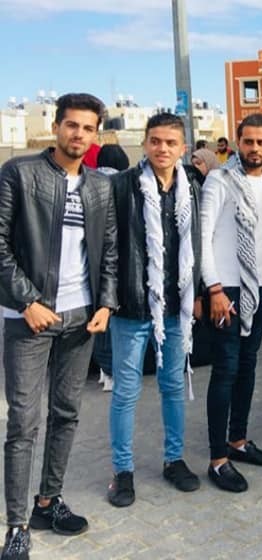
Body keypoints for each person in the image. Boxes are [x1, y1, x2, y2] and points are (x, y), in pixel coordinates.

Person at [0, 93, 118, 559]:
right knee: (23, 423)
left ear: (96, 134)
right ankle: (16, 526)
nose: (78, 135)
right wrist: (26, 300)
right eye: (72, 125)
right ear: (55, 126)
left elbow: (109, 250)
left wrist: (106, 303)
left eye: (88, 128)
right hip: (29, 319)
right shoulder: (20, 173)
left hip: (80, 319)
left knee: (66, 414)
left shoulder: (100, 186)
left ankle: (48, 502)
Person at [105, 113, 203, 508]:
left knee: (173, 386)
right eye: (156, 141)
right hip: (132, 306)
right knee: (126, 392)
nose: (163, 148)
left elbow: (196, 242)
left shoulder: (191, 187)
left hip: (176, 306)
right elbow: (109, 247)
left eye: (171, 142)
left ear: (183, 148)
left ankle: (173, 460)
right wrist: (109, 300)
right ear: (145, 143)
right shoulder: (122, 185)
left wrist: (196, 292)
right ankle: (122, 471)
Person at [201, 113, 262, 492]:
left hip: (258, 287)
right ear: (237, 142)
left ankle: (238, 440)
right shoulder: (219, 180)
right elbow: (203, 238)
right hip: (226, 289)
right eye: (248, 141)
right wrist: (214, 290)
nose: (254, 148)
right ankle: (218, 460)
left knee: (248, 366)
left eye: (261, 142)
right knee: (226, 369)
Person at [93, 145, 131, 393]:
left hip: (91, 259)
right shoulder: (122, 183)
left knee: (97, 316)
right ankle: (110, 371)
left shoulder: (88, 180)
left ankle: (102, 370)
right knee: (112, 317)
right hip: (116, 258)